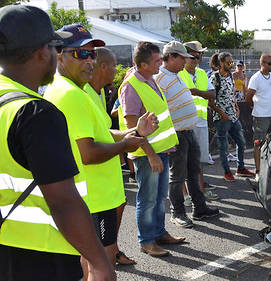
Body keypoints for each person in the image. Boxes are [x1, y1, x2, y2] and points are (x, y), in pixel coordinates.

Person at [0, 5, 115, 281]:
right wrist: (99, 262)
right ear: (43, 52)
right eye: (54, 47)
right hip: (40, 254)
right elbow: (63, 200)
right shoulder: (37, 113)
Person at [43, 24, 158, 278]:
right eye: (81, 54)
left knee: (89, 268)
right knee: (103, 269)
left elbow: (101, 136)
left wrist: (135, 133)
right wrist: (126, 145)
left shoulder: (79, 90)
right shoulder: (69, 94)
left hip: (96, 197)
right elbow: (89, 153)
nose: (90, 61)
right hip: (94, 199)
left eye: (93, 54)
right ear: (59, 55)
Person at [118, 41, 182, 257]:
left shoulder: (149, 79)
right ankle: (146, 241)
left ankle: (159, 232)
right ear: (143, 65)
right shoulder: (131, 87)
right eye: (157, 61)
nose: (161, 63)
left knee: (159, 196)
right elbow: (132, 130)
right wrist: (152, 155)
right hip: (147, 155)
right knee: (147, 200)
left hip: (160, 151)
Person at [155, 41, 219, 228]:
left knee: (193, 171)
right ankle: (178, 213)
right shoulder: (160, 78)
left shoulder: (176, 75)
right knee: (177, 176)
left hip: (188, 131)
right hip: (177, 134)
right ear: (172, 57)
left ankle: (199, 208)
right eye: (183, 58)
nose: (186, 61)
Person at [85, 47, 138, 266]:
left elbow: (105, 132)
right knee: (97, 259)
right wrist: (126, 143)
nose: (117, 70)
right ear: (104, 67)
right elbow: (87, 148)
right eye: (115, 66)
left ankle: (114, 251)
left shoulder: (98, 92)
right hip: (95, 188)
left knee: (120, 207)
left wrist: (130, 132)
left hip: (108, 181)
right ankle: (109, 257)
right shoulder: (83, 93)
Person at [177, 41, 219, 202]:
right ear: (185, 57)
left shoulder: (201, 73)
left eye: (198, 56)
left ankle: (200, 192)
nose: (196, 59)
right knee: (182, 161)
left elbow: (212, 94)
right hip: (183, 123)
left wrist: (196, 92)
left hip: (200, 122)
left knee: (198, 160)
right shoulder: (178, 74)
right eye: (193, 57)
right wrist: (202, 93)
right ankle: (185, 195)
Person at [209, 52, 256, 182]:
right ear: (221, 63)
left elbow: (232, 93)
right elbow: (210, 101)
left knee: (241, 142)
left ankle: (241, 168)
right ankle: (227, 172)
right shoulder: (214, 78)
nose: (231, 64)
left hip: (233, 116)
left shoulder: (230, 75)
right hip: (221, 118)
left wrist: (236, 106)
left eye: (232, 62)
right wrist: (221, 113)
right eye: (229, 62)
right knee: (223, 146)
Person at [246, 54, 271, 175]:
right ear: (262, 64)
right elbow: (248, 96)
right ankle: (258, 170)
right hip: (260, 116)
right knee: (258, 143)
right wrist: (254, 106)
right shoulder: (256, 78)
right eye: (270, 63)